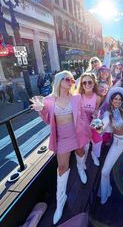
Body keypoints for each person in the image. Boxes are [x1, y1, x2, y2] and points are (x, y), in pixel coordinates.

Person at [30, 70, 85, 224]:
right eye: (68, 79)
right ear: (59, 80)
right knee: (62, 168)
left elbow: (81, 117)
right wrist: (41, 109)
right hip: (62, 138)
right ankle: (60, 202)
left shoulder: (76, 98)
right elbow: (48, 120)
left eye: (73, 80)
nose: (71, 82)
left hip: (77, 134)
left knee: (81, 152)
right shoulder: (49, 100)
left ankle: (81, 169)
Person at [97, 87, 123, 204]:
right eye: (115, 99)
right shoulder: (108, 113)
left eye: (119, 99)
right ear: (111, 100)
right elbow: (104, 123)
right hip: (117, 143)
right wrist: (99, 125)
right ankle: (105, 193)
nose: (117, 101)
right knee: (105, 171)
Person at [77, 73, 102, 171]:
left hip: (93, 120)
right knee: (86, 144)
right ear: (82, 85)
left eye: (90, 82)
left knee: (98, 139)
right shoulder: (78, 96)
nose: (87, 84)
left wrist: (96, 114)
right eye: (84, 83)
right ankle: (82, 162)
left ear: (94, 83)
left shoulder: (97, 97)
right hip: (82, 122)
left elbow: (96, 110)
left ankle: (94, 154)